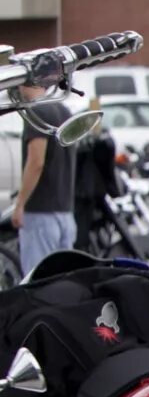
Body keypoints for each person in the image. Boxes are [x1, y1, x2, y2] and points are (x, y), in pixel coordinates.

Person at [13, 79, 76, 280]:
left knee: (36, 281)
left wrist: (20, 203)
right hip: (65, 212)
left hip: (40, 212)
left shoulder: (36, 112)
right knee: (62, 281)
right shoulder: (64, 110)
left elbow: (36, 161)